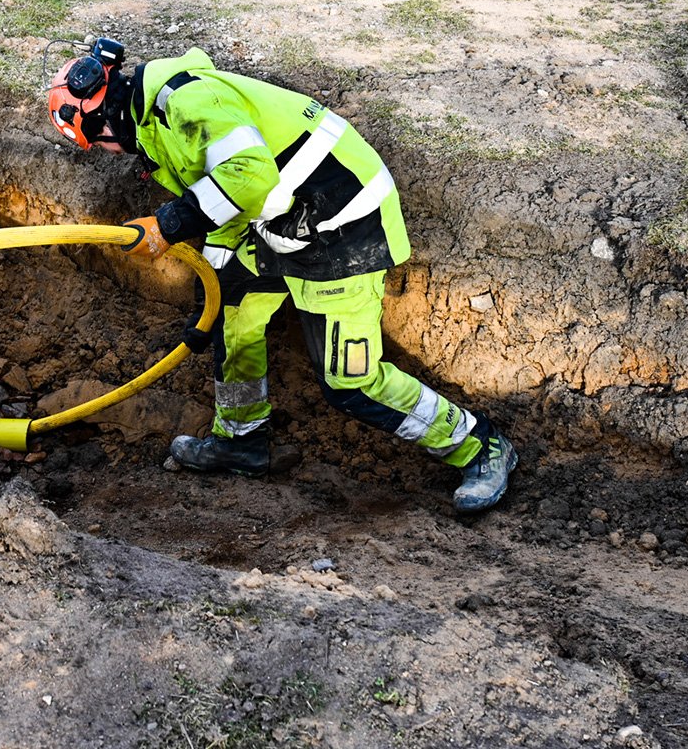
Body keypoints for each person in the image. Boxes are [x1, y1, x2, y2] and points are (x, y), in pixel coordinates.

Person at [46, 40, 517, 512]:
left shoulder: (185, 102)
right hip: (286, 222)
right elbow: (227, 193)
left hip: (343, 224)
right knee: (229, 301)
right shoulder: (155, 122)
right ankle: (241, 440)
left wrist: (168, 225)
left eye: (98, 143)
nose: (107, 152)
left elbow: (249, 178)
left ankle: (479, 446)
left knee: (349, 382)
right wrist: (215, 269)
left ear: (104, 117)